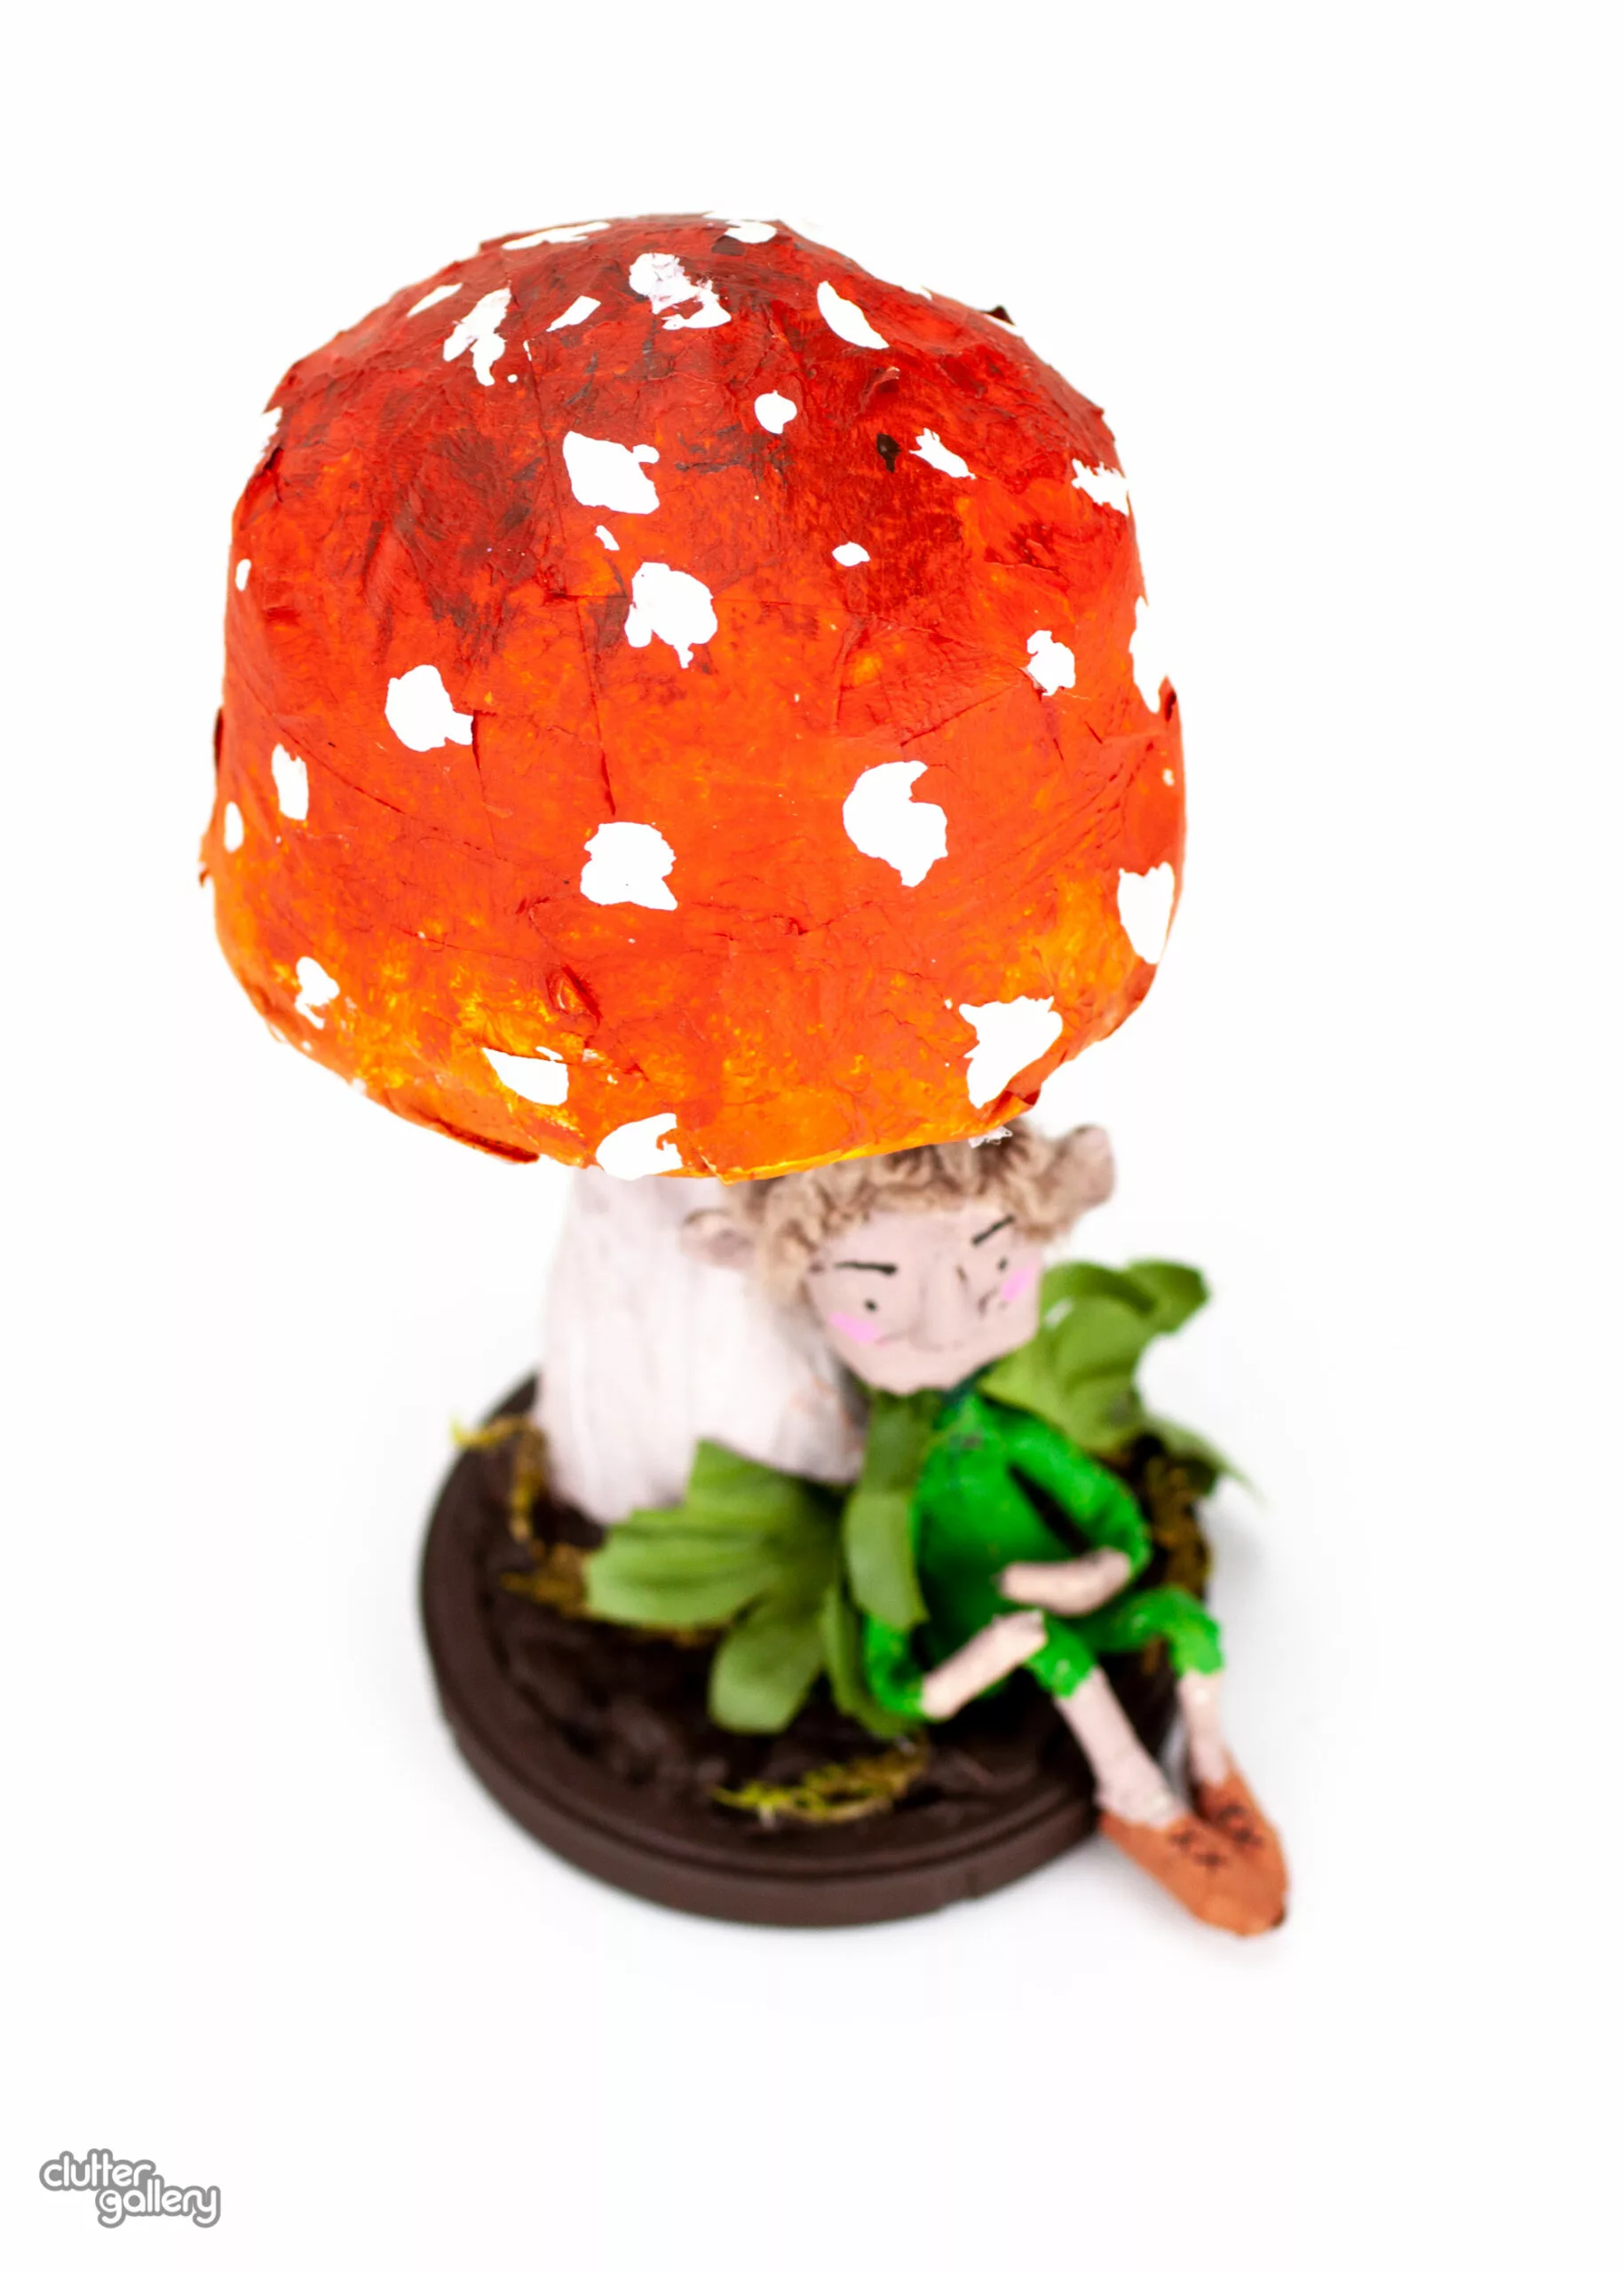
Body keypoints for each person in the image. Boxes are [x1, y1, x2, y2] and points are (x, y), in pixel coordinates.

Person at [690, 1125, 1287, 1936]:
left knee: (1182, 1621)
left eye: (997, 1266)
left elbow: (1110, 1513)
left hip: (1073, 1609)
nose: (946, 1329)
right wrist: (975, 1663)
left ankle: (1210, 1762)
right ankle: (1135, 1798)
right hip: (994, 1645)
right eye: (874, 1299)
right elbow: (892, 1666)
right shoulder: (886, 1499)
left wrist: (1103, 1571)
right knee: (1054, 1648)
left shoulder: (1006, 1435)